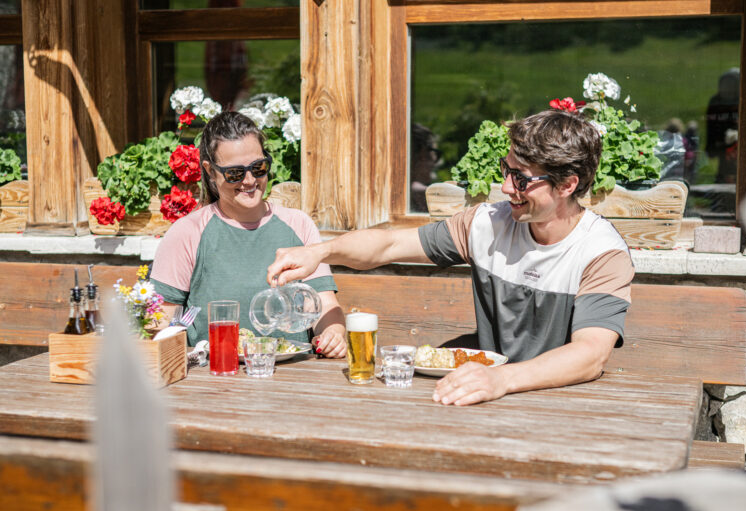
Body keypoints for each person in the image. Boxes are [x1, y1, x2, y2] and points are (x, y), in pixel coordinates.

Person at [267, 109, 634, 406]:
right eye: (507, 170)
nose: (506, 187)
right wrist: (322, 250)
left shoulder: (601, 252)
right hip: (482, 394)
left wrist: (500, 379)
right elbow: (389, 246)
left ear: (568, 184)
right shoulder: (488, 223)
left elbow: (590, 355)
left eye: (521, 179)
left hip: (561, 403)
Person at [150, 111, 346, 358]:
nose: (250, 180)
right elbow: (161, 324)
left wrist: (332, 334)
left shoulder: (298, 224)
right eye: (235, 173)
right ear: (210, 172)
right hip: (216, 376)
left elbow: (325, 306)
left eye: (258, 167)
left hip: (291, 374)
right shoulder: (188, 232)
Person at [706, 68, 739, 184]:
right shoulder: (715, 102)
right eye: (726, 84)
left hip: (737, 145)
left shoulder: (744, 100)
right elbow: (710, 125)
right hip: (722, 143)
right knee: (724, 170)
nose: (728, 88)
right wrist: (711, 146)